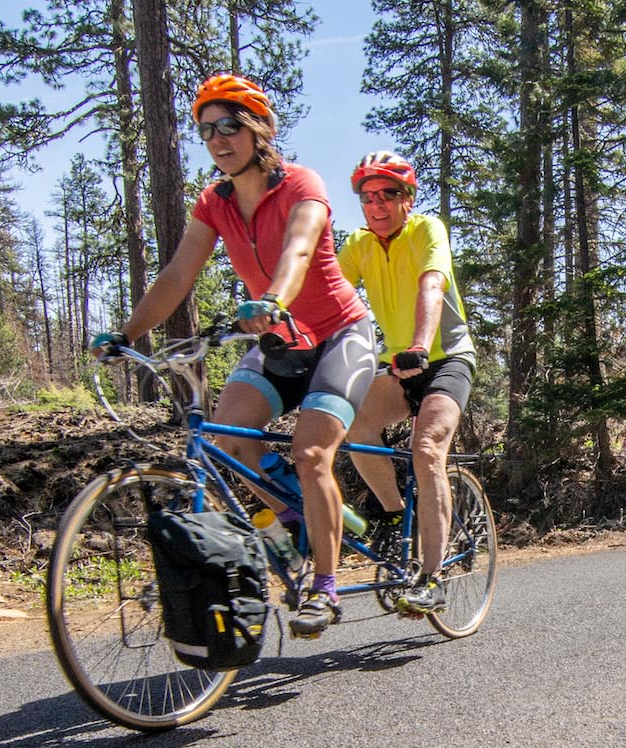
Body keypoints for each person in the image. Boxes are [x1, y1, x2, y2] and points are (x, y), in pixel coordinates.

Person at [91, 74, 375, 639]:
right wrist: (126, 335)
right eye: (206, 130)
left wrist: (272, 298)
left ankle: (324, 587)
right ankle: (297, 515)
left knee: (311, 451)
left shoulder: (300, 183)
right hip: (277, 343)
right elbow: (177, 276)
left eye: (230, 126)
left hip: (340, 336)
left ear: (259, 129)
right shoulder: (214, 202)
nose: (218, 139)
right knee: (225, 442)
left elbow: (298, 248)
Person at [335, 151, 476, 614]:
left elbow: (430, 286)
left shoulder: (425, 230)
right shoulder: (358, 245)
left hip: (445, 359)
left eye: (388, 194)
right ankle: (396, 515)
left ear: (407, 198)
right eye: (367, 196)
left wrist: (418, 343)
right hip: (399, 365)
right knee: (353, 421)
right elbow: (330, 294)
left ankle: (433, 578)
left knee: (427, 449)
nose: (377, 205)